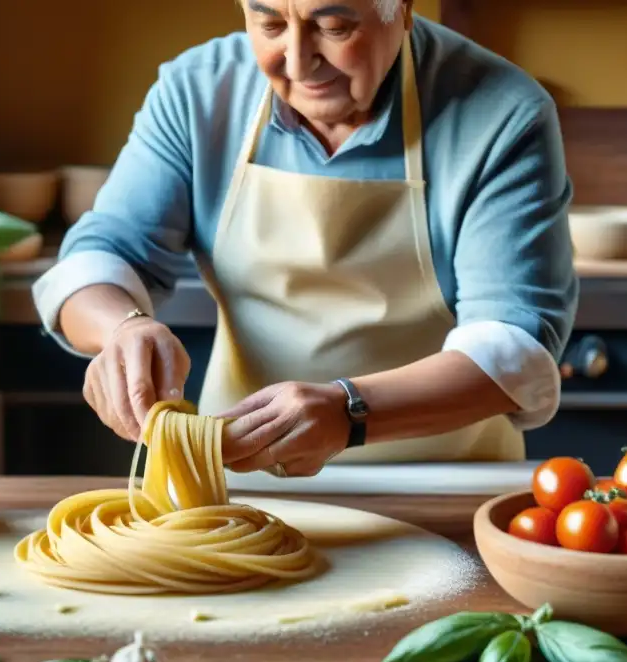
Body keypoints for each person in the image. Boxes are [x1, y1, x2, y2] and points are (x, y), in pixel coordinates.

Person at [32, 0, 577, 478]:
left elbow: (514, 348)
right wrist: (122, 330)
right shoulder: (198, 91)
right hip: (238, 478)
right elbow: (100, 257)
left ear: (403, 8)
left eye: (334, 27)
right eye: (269, 25)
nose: (297, 61)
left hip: (442, 482)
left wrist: (350, 412)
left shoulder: (503, 112)